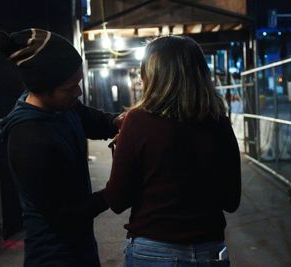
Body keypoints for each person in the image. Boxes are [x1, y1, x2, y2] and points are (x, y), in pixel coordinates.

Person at [103, 36, 241, 266]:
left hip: (153, 250)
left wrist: (121, 152)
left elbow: (117, 200)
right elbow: (231, 200)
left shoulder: (137, 122)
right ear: (200, 75)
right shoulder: (218, 123)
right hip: (210, 251)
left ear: (152, 76)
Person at [0, 28, 122, 267]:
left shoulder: (61, 106)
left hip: (81, 249)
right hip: (53, 257)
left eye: (78, 83)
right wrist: (115, 192)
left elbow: (90, 119)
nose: (79, 92)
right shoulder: (29, 139)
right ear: (44, 88)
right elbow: (65, 215)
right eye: (70, 87)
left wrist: (118, 121)